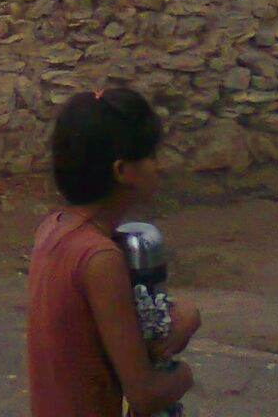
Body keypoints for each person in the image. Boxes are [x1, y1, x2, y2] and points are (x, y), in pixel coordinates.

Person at [27, 87, 200, 416]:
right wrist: (184, 375)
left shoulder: (53, 229)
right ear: (122, 171)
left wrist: (182, 318)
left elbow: (111, 337)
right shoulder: (100, 259)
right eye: (150, 156)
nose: (157, 166)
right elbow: (144, 394)